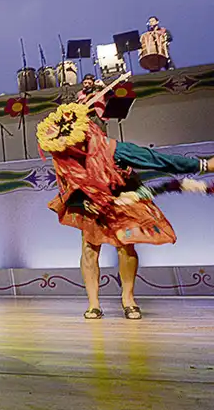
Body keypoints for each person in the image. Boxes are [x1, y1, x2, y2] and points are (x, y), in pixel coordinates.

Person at [37, 101, 213, 320]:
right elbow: (67, 191)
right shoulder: (64, 160)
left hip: (123, 201)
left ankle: (128, 298)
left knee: (125, 247)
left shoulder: (115, 150)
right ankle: (94, 304)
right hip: (92, 207)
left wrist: (202, 166)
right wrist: (81, 204)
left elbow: (158, 160)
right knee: (89, 249)